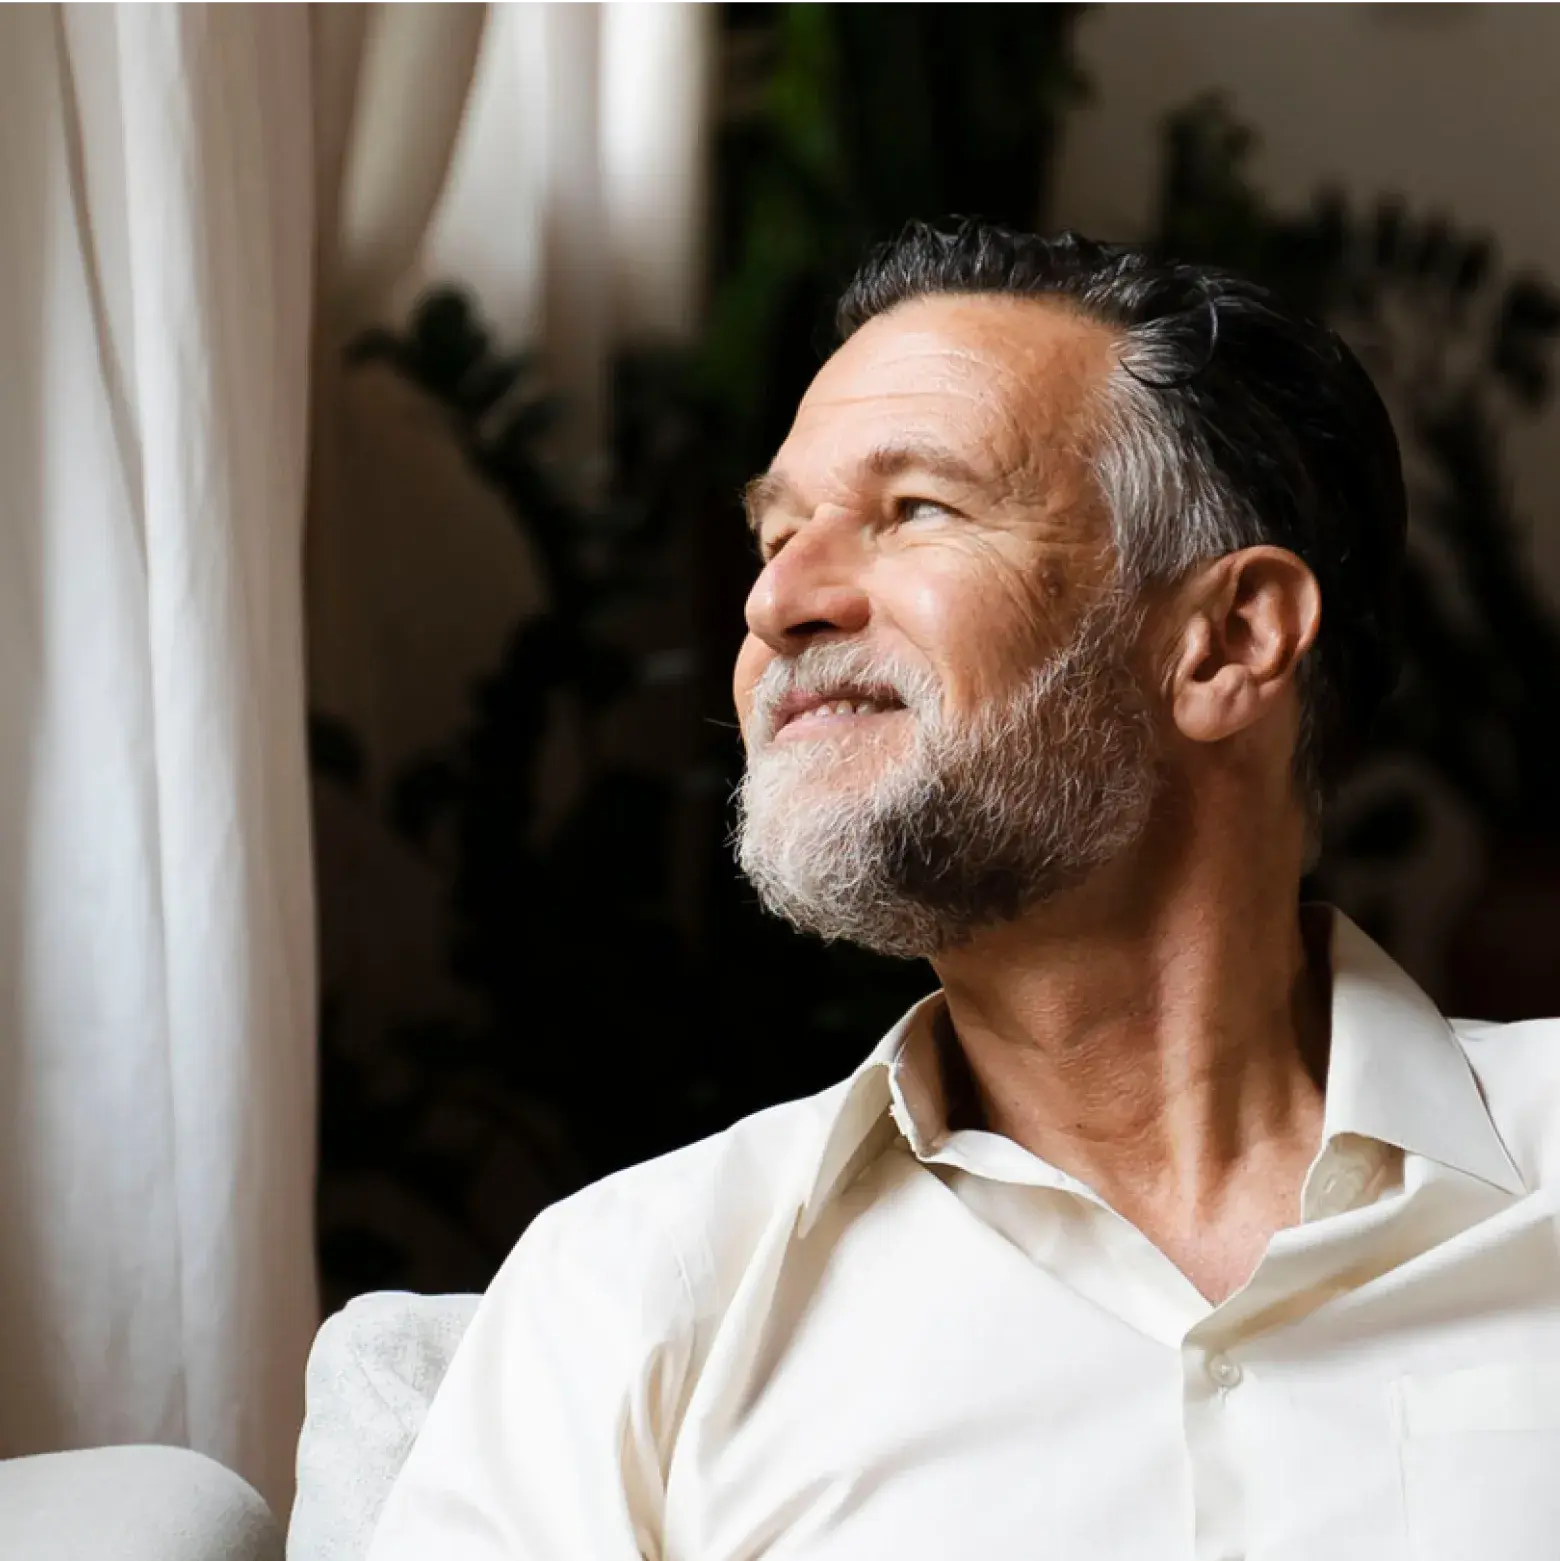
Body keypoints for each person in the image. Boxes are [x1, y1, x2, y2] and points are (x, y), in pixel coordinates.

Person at [366, 222, 1560, 1561]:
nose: (779, 602)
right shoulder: (630, 1293)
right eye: (777, 532)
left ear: (1225, 643)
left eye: (913, 509)